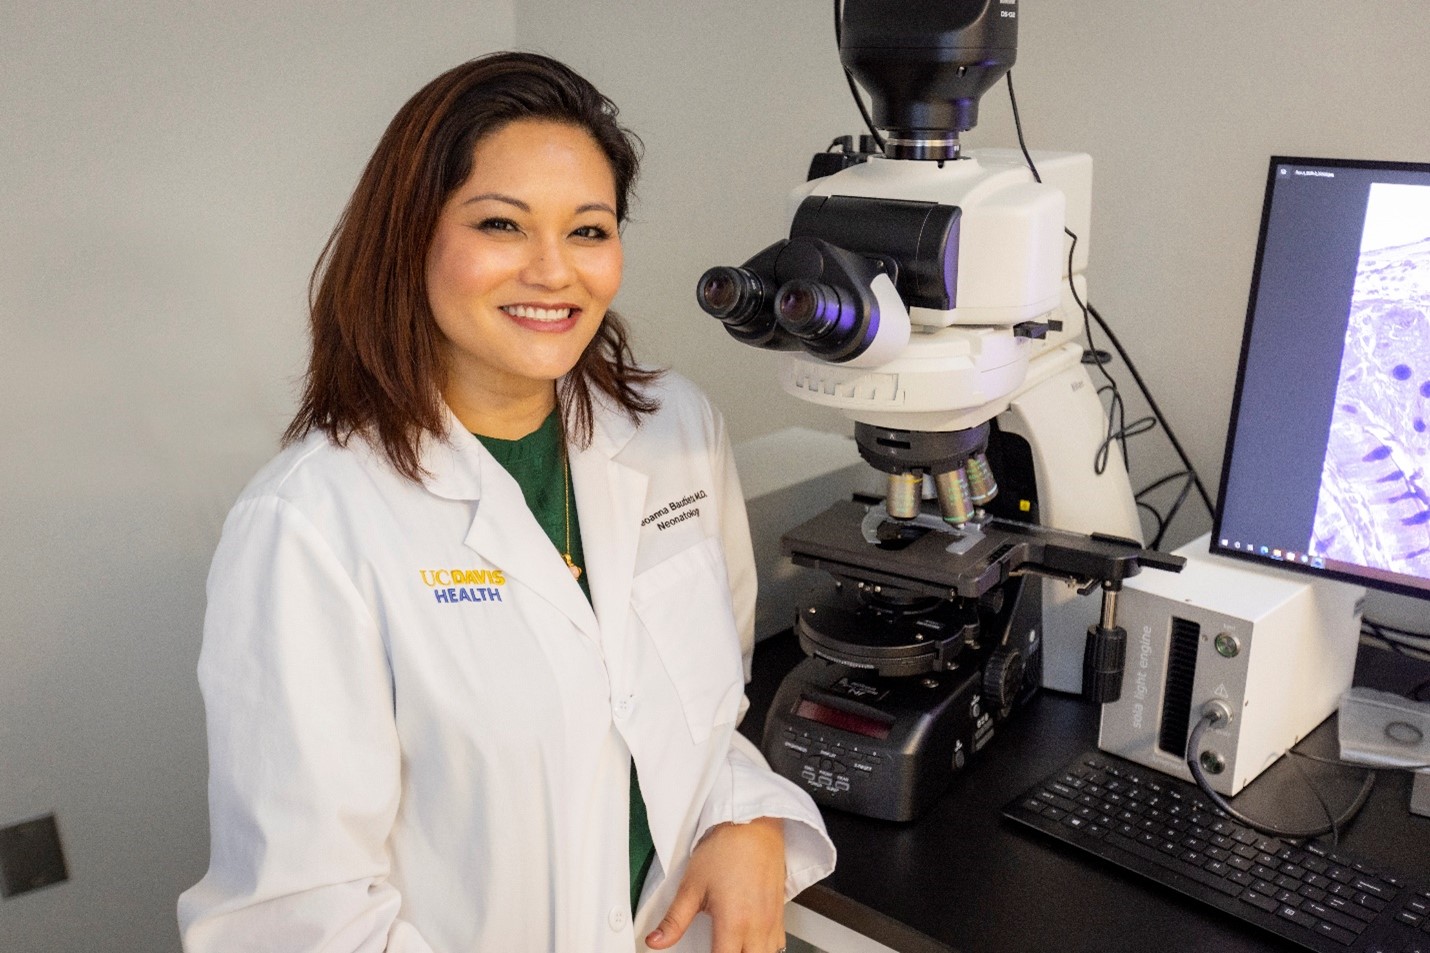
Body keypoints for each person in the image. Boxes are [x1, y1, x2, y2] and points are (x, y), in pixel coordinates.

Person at [176, 50, 835, 953]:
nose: (554, 271)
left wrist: (746, 815)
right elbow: (295, 919)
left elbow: (697, 714)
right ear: (412, 239)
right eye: (502, 224)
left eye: (589, 231)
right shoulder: (310, 524)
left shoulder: (675, 427)